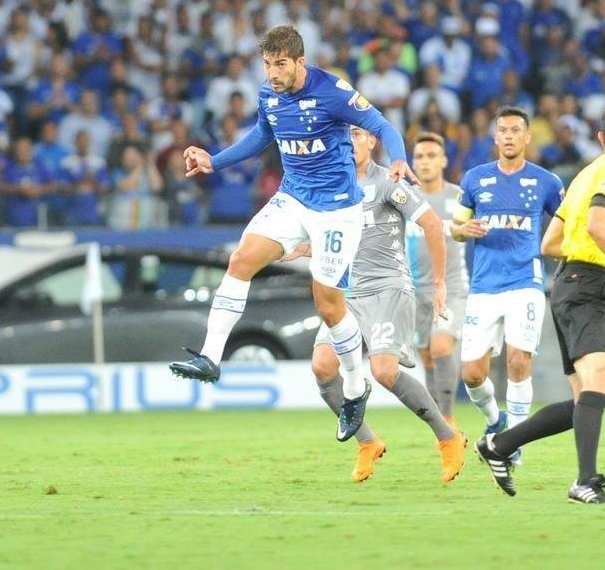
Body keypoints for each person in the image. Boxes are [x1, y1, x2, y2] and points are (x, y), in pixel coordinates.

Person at [170, 25, 415, 442]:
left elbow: (383, 125)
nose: (272, 73)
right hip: (293, 198)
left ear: (301, 61)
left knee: (329, 305)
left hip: (337, 209)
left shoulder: (333, 91)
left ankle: (355, 387)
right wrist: (215, 161)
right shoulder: (269, 95)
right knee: (241, 259)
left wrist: (399, 159)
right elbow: (261, 135)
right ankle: (210, 356)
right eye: (267, 64)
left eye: (280, 64)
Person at [476, 103, 605, 505]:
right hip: (586, 286)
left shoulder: (583, 175)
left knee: (584, 398)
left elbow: (551, 244)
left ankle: (499, 445)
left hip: (566, 284)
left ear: (600, 137)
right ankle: (585, 481)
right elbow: (597, 224)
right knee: (601, 381)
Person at [297, 127, 465, 482]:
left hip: (389, 288)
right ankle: (367, 442)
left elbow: (432, 224)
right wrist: (305, 247)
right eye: (344, 136)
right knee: (323, 367)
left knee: (384, 371)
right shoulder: (332, 186)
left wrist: (439, 284)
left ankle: (448, 437)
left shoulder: (389, 182)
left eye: (357, 135)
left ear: (372, 141)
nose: (350, 142)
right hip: (348, 293)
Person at [452, 106, 564, 466]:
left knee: (518, 360)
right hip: (484, 286)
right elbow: (455, 227)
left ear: (527, 137)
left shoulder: (547, 182)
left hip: (525, 283)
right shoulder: (475, 179)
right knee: (471, 374)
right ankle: (495, 420)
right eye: (503, 130)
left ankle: (513, 443)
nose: (509, 136)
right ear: (495, 136)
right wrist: (463, 229)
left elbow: (566, 224)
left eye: (516, 130)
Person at [405, 133, 469, 423]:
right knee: (427, 357)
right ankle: (440, 428)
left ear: (443, 161)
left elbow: (475, 226)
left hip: (451, 288)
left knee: (441, 346)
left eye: (431, 156)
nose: (425, 162)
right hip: (414, 291)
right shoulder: (404, 198)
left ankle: (448, 420)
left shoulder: (458, 196)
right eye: (419, 156)